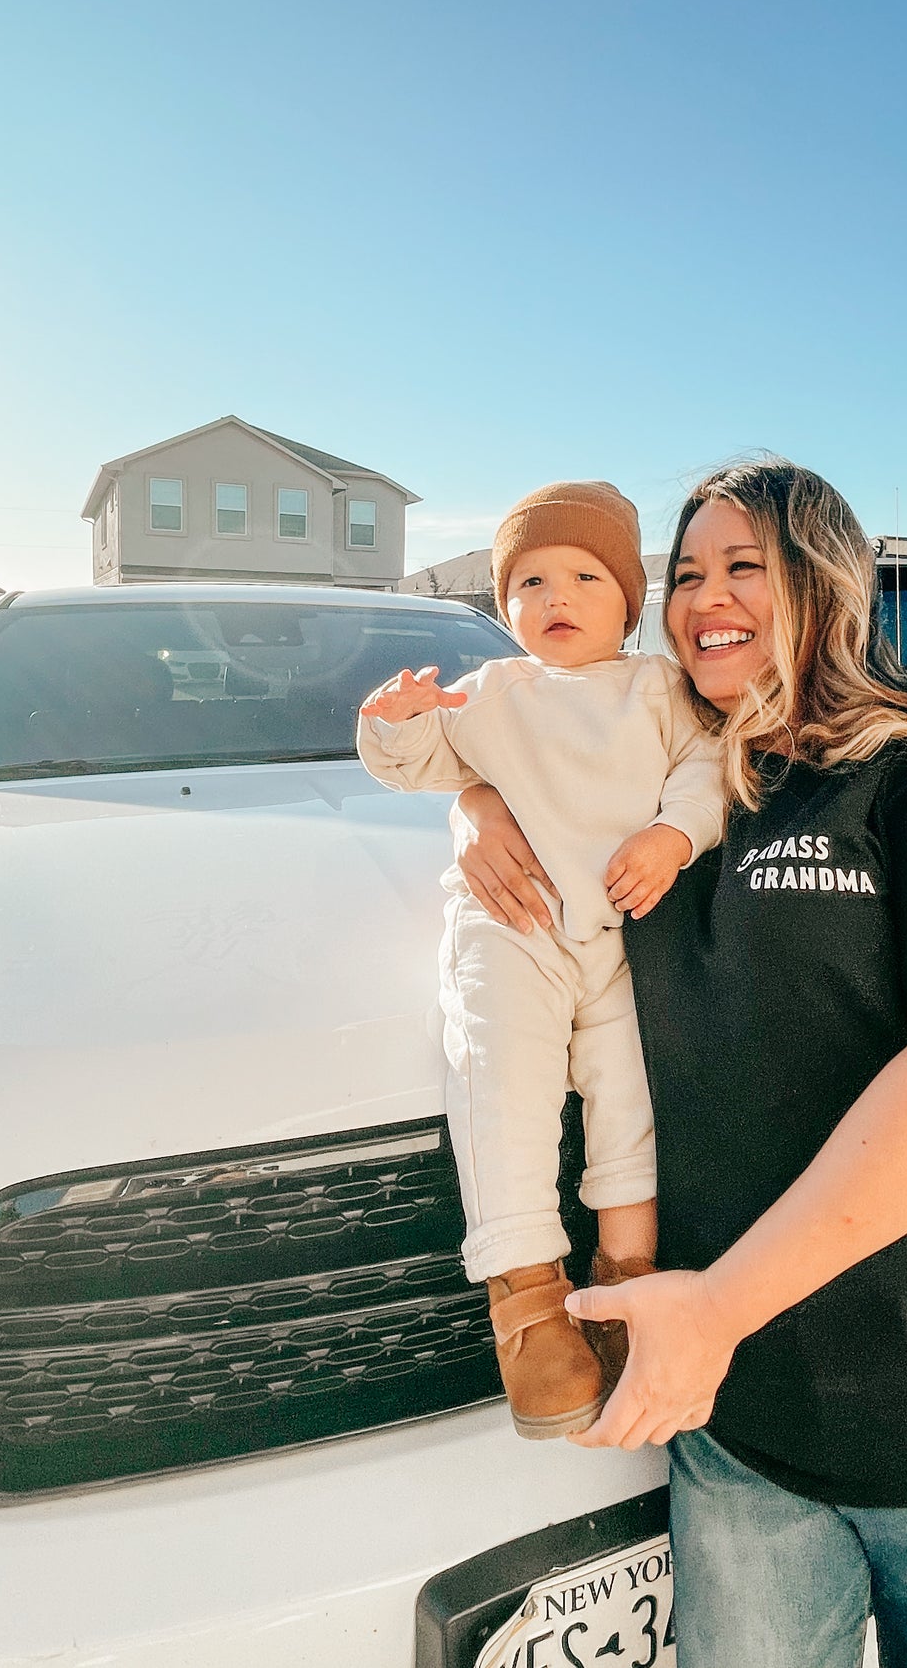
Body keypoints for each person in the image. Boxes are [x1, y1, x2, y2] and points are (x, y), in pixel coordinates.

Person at [452, 457, 907, 1667]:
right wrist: (475, 800)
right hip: (743, 1427)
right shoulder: (668, 773)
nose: (705, 596)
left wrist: (715, 1308)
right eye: (686, 572)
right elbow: (525, 737)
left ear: (824, 578)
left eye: (742, 565)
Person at [356, 480, 722, 1440]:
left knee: (632, 1097)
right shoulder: (492, 691)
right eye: (528, 581)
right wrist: (391, 720)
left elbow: (706, 772)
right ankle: (525, 1306)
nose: (554, 596)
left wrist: (674, 838)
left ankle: (627, 1278)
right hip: (510, 930)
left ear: (629, 600)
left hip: (618, 933)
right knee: (503, 1088)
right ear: (502, 603)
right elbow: (418, 762)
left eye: (583, 576)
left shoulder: (659, 688)